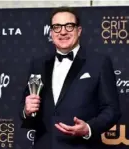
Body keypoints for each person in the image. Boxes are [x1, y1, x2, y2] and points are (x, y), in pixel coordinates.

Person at [20, 6, 121, 149]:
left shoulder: (99, 62)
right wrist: (26, 110)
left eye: (69, 26)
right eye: (57, 27)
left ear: (79, 31)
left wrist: (88, 128)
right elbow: (24, 106)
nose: (62, 31)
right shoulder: (38, 64)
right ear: (51, 32)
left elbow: (112, 109)